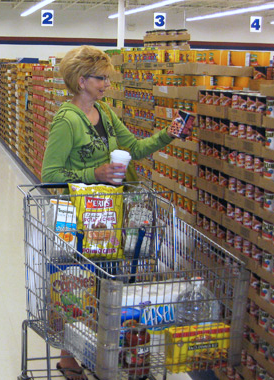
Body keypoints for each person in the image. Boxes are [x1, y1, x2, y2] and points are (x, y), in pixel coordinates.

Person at [41, 46, 180, 380]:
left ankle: (98, 348)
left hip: (110, 213)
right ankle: (68, 356)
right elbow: (50, 176)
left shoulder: (105, 112)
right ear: (80, 79)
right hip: (78, 218)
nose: (106, 84)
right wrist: (95, 174)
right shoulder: (66, 120)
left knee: (109, 283)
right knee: (80, 286)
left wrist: (167, 135)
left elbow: (134, 148)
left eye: (107, 77)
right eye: (100, 78)